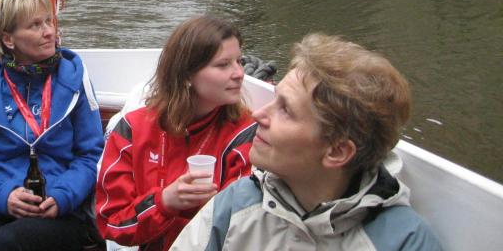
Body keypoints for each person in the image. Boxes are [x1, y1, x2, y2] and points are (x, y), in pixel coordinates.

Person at [170, 33, 444, 251]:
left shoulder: (404, 242)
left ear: (337, 151)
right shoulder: (236, 204)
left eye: (286, 110)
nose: (259, 115)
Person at [0, 0, 104, 251]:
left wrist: (62, 196)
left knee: (8, 243)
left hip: (59, 211)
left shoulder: (75, 81)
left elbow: (91, 155)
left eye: (49, 21)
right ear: (8, 39)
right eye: (35, 25)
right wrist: (4, 196)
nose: (49, 32)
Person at [96, 16, 256, 251]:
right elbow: (112, 222)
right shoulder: (133, 129)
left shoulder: (246, 133)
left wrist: (207, 207)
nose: (239, 73)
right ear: (187, 74)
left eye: (239, 61)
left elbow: (240, 228)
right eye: (223, 65)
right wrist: (164, 202)